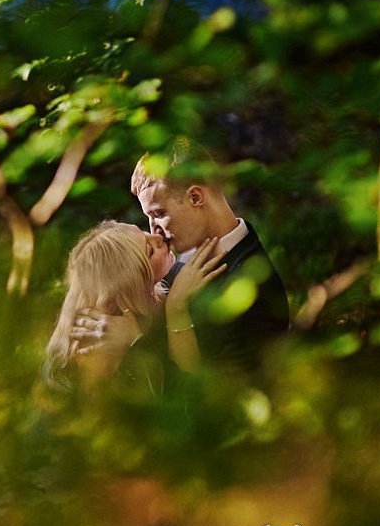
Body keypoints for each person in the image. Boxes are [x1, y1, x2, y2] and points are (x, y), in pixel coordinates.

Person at [71, 146, 289, 375]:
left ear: (196, 197)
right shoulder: (166, 263)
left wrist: (133, 344)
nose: (153, 230)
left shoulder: (258, 294)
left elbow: (217, 394)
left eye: (159, 214)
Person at [44, 221, 228, 394]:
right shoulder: (94, 345)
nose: (159, 238)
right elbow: (184, 397)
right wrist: (137, 340)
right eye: (150, 251)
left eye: (145, 233)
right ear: (133, 286)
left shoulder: (155, 299)